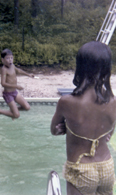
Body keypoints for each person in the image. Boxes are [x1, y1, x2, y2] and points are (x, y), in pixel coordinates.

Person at [51, 41, 116, 195]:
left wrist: (65, 128)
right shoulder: (113, 102)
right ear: (107, 69)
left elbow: (54, 130)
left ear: (80, 67)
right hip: (106, 166)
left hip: (81, 168)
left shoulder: (67, 102)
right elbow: (109, 133)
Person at [0, 48, 34, 120]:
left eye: (11, 58)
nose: (10, 60)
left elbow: (18, 71)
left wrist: (28, 74)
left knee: (27, 107)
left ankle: (13, 111)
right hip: (8, 94)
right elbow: (3, 83)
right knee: (16, 115)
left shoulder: (12, 66)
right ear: (3, 60)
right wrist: (16, 86)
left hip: (15, 92)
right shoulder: (4, 69)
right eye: (7, 58)